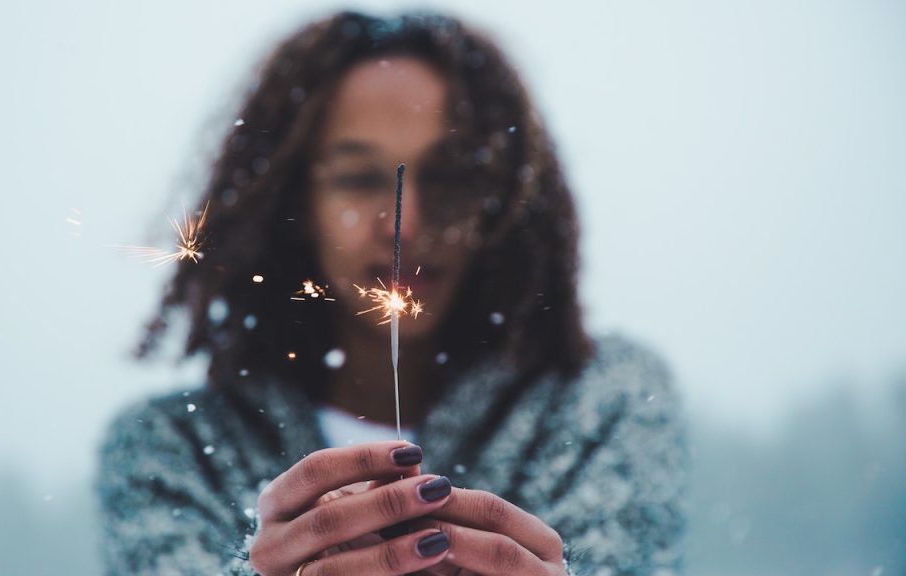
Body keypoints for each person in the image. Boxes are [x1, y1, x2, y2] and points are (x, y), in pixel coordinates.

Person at [97, 10, 687, 576]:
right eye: (358, 178)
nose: (404, 225)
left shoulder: (603, 402)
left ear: (503, 198)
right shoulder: (172, 451)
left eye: (449, 175)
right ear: (293, 204)